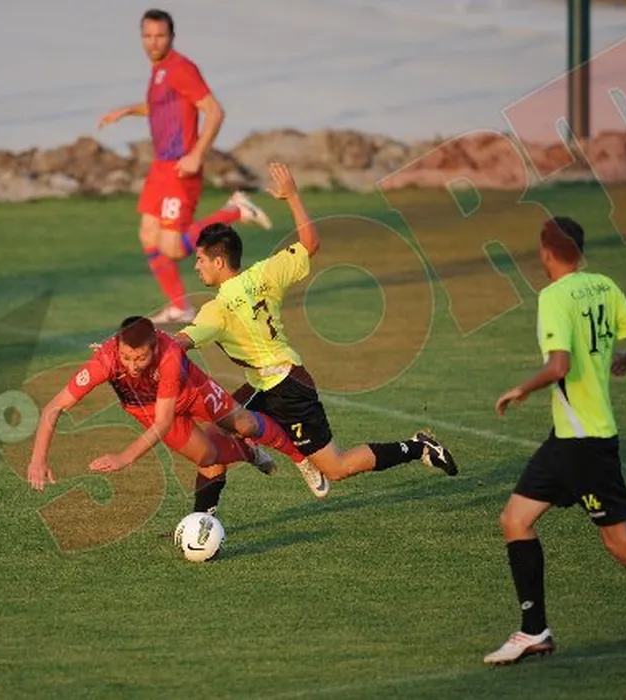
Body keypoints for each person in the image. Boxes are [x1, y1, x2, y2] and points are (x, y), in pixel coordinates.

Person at [487, 216, 626, 670]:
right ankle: (534, 630)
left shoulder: (553, 297)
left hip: (586, 445)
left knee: (621, 543)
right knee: (515, 519)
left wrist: (522, 388)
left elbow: (558, 365)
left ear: (546, 252)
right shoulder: (604, 286)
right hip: (567, 440)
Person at [174, 162, 459, 500]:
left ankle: (418, 447)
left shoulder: (217, 310)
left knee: (337, 467)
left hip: (287, 390)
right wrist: (292, 195)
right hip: (269, 382)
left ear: (219, 262)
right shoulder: (265, 273)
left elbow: (180, 343)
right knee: (218, 432)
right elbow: (310, 242)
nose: (196, 266)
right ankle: (211, 509)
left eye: (200, 260)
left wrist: (135, 351)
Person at [27, 316, 312, 516]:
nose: (132, 365)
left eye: (140, 358)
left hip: (193, 390)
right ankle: (247, 452)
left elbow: (163, 423)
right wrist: (38, 458)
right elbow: (54, 407)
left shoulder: (170, 355)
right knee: (208, 458)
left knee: (245, 423)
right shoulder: (105, 360)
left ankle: (301, 456)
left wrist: (125, 457)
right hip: (148, 408)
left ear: (154, 347)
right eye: (126, 357)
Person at [97, 8, 272, 325]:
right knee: (148, 235)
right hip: (161, 167)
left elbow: (214, 111)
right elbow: (160, 105)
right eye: (148, 36)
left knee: (174, 248)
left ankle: (235, 210)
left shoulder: (181, 68)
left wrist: (197, 155)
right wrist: (126, 111)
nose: (154, 42)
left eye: (160, 35)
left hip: (181, 167)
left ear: (172, 36)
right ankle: (180, 307)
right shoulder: (159, 70)